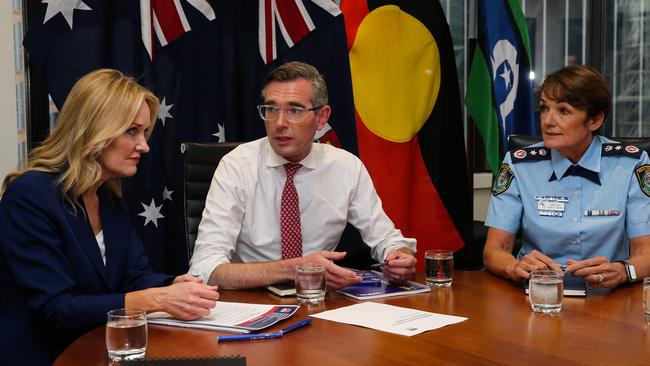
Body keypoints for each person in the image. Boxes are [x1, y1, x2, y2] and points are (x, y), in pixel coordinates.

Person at [0, 69, 219, 365]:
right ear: (94, 130)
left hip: (102, 350)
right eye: (132, 131)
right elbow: (56, 308)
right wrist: (157, 300)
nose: (145, 145)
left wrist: (174, 284)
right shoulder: (29, 196)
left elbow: (134, 276)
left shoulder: (106, 196)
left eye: (143, 132)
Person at [189, 61, 417, 289]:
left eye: (294, 110)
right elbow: (204, 268)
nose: (279, 123)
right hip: (252, 301)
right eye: (271, 109)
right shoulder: (236, 165)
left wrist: (399, 257)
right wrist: (296, 268)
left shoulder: (346, 166)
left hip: (320, 300)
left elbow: (388, 240)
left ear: (321, 117)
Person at [483, 64, 650, 289]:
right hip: (538, 294)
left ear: (594, 121)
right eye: (544, 108)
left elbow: (644, 252)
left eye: (563, 111)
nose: (548, 121)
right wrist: (514, 266)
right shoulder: (519, 164)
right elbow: (494, 251)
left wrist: (622, 271)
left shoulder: (631, 164)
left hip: (609, 297)